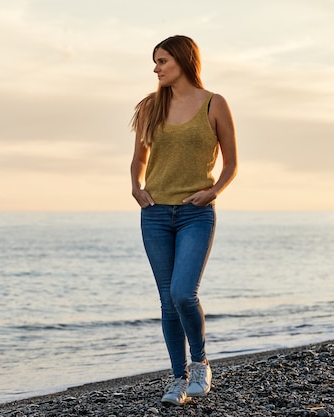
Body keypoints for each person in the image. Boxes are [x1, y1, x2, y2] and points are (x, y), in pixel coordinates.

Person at [130, 35, 238, 406]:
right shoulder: (150, 107)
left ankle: (200, 363)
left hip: (195, 213)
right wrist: (135, 186)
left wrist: (214, 191)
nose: (156, 68)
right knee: (166, 301)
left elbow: (232, 162)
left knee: (182, 294)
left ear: (182, 60)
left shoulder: (214, 103)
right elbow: (139, 160)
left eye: (162, 60)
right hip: (155, 215)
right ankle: (177, 380)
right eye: (155, 62)